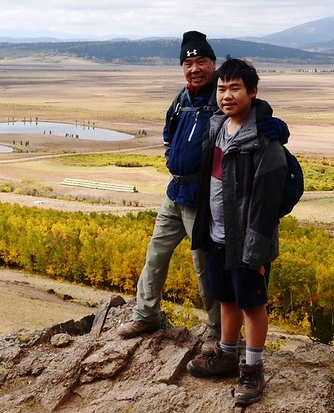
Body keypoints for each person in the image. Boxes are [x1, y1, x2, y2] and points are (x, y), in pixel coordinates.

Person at [116, 33, 289, 356]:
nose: (194, 69)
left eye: (201, 62)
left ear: (213, 65)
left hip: (204, 198)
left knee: (206, 268)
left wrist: (277, 126)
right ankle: (145, 315)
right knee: (156, 255)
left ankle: (216, 333)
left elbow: (257, 112)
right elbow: (169, 132)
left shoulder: (222, 96)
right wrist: (172, 158)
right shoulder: (182, 99)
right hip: (176, 190)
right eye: (188, 63)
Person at [186, 58, 288, 406]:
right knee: (226, 297)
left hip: (247, 240)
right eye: (221, 88)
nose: (226, 95)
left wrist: (255, 250)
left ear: (252, 92)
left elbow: (266, 204)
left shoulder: (264, 142)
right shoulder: (218, 126)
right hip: (217, 234)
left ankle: (253, 368)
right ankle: (227, 354)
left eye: (235, 88)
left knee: (252, 303)